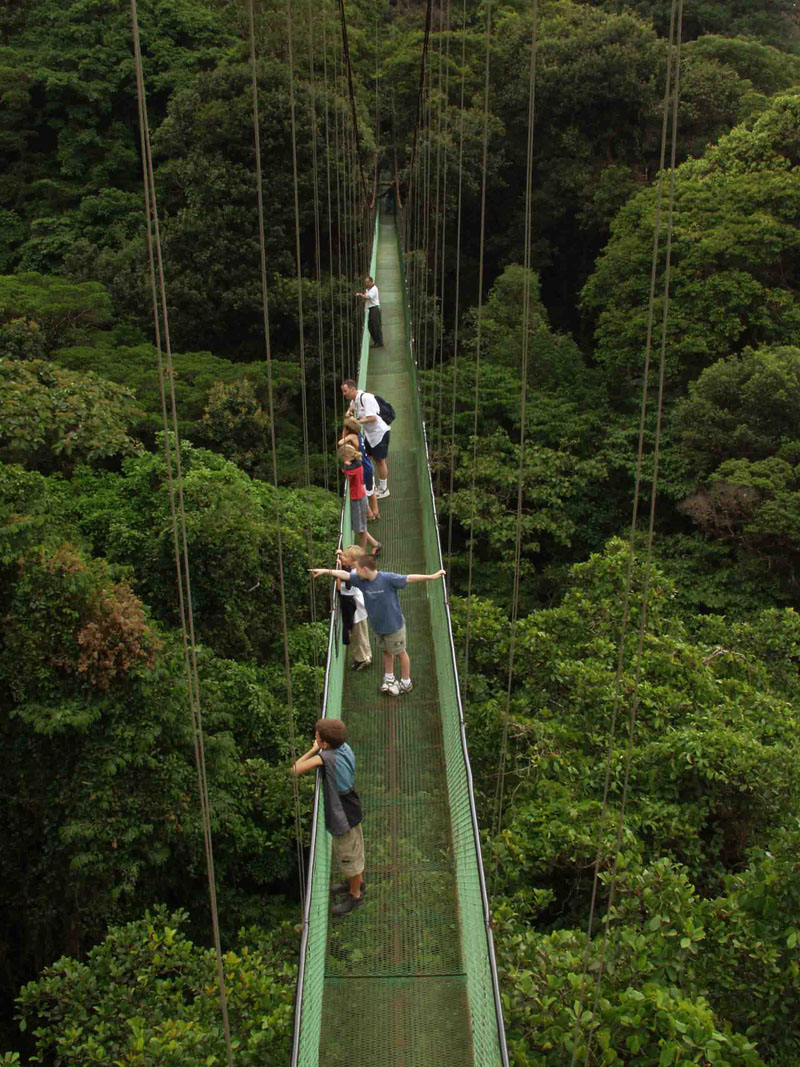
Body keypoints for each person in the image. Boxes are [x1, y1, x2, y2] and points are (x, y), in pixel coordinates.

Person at [311, 555, 446, 696]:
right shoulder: (361, 580)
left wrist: (432, 576)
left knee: (401, 653)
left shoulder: (387, 579)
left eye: (357, 569)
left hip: (393, 626)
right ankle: (389, 679)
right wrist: (326, 571)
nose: (354, 572)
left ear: (365, 569)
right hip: (378, 626)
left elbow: (409, 578)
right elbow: (344, 575)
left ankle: (406, 683)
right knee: (386, 651)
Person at [293, 718, 365, 916]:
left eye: (317, 737)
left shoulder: (327, 757)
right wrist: (321, 747)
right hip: (351, 805)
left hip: (342, 814)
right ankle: (355, 883)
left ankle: (355, 896)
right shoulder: (344, 748)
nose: (314, 738)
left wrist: (313, 750)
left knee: (349, 856)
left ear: (324, 743)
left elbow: (295, 769)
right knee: (354, 849)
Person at [340, 379, 390, 499]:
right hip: (370, 435)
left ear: (353, 389)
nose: (344, 394)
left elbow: (372, 418)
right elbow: (350, 410)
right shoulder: (355, 400)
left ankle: (384, 489)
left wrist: (356, 422)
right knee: (365, 457)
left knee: (380, 461)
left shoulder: (366, 398)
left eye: (345, 391)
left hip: (379, 433)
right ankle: (369, 483)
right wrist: (348, 413)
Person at [338, 443, 381, 554]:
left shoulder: (354, 467)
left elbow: (346, 472)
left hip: (357, 499)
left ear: (346, 457)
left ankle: (361, 556)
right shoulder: (357, 462)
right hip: (360, 496)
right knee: (361, 527)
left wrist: (345, 466)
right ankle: (375, 544)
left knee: (361, 529)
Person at [337, 544, 371, 671]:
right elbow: (347, 568)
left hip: (356, 609)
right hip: (360, 608)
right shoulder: (356, 570)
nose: (343, 557)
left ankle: (361, 659)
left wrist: (338, 573)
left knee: (357, 636)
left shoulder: (354, 576)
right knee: (362, 633)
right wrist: (341, 557)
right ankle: (366, 655)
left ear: (353, 560)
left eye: (346, 556)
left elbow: (341, 589)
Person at [339, 415, 379, 520]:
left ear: (348, 430)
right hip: (368, 466)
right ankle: (375, 512)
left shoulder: (352, 436)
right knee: (370, 491)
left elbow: (340, 442)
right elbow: (351, 419)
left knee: (363, 492)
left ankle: (370, 514)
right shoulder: (358, 434)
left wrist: (344, 433)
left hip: (364, 469)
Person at [355, 275, 383, 348]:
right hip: (371, 309)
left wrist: (360, 294)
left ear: (371, 282)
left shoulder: (374, 289)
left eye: (368, 282)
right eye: (365, 282)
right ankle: (376, 341)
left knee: (375, 326)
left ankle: (379, 342)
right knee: (370, 326)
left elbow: (368, 297)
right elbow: (366, 296)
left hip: (375, 309)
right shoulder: (368, 289)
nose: (366, 284)